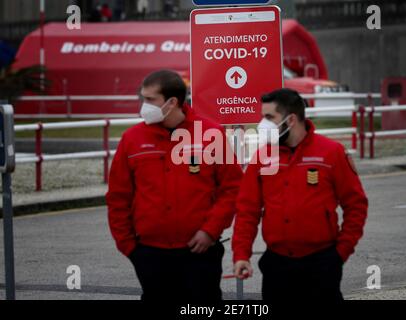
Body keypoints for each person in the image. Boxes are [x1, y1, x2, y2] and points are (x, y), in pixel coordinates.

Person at [106, 70, 243, 303]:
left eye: (150, 100)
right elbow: (118, 197)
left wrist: (210, 231)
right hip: (149, 253)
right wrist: (129, 246)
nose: (143, 105)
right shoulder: (132, 139)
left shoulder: (211, 134)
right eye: (143, 98)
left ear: (172, 103)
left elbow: (232, 189)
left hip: (200, 252)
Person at [232, 88, 368, 302]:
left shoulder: (331, 152)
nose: (262, 125)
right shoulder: (262, 157)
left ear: (291, 119)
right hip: (277, 265)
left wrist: (341, 252)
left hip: (322, 263)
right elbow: (247, 210)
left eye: (269, 117)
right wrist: (241, 254)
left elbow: (356, 205)